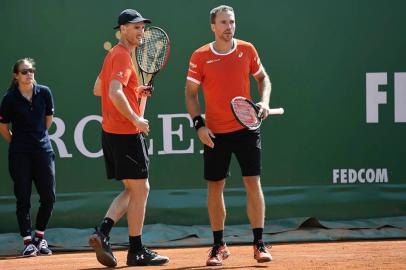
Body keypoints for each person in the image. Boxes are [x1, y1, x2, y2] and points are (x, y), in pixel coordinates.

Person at [185, 5, 273, 266]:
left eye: (232, 22)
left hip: (247, 129)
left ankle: (259, 243)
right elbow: (190, 93)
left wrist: (264, 101)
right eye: (223, 22)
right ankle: (218, 246)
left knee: (252, 182)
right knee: (215, 187)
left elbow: (263, 78)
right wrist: (199, 125)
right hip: (216, 133)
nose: (228, 27)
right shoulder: (200, 56)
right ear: (213, 26)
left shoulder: (247, 49)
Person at [88, 9, 169, 267]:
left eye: (142, 27)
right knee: (140, 188)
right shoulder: (122, 55)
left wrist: (136, 89)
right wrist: (136, 118)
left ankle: (105, 232)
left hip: (111, 132)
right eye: (135, 27)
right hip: (125, 132)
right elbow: (112, 92)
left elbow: (97, 88)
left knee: (134, 189)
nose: (140, 31)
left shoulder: (113, 54)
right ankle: (133, 249)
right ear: (122, 29)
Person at [0, 58, 55, 257]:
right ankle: (28, 242)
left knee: (48, 197)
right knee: (23, 198)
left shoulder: (45, 92)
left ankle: (39, 238)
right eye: (24, 71)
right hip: (20, 154)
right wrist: (19, 143)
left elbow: (48, 120)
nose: (29, 74)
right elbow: (4, 128)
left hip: (43, 151)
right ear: (16, 75)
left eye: (31, 70)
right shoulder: (9, 98)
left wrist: (37, 138)